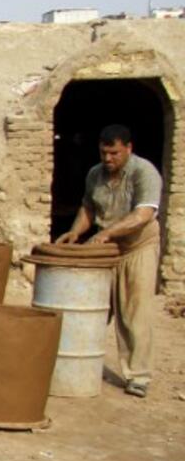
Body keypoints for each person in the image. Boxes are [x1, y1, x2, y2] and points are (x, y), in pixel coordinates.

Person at [55, 124, 162, 398]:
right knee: (93, 307)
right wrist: (76, 232)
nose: (108, 159)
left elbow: (143, 214)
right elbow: (89, 207)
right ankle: (82, 363)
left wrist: (106, 233)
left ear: (128, 148)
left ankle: (138, 375)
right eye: (104, 153)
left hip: (138, 246)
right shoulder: (95, 174)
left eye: (114, 153)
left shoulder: (144, 172)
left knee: (134, 312)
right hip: (107, 249)